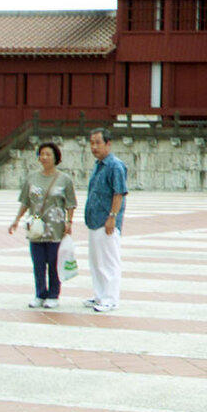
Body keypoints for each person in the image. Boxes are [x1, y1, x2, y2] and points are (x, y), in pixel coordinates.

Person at [8, 142, 77, 309]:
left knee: (53, 262)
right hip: (36, 225)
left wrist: (69, 222)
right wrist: (17, 220)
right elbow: (25, 201)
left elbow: (70, 203)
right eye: (42, 154)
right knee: (38, 262)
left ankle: (53, 295)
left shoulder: (64, 179)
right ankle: (40, 294)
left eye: (48, 154)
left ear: (55, 157)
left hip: (56, 226)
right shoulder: (32, 178)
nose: (44, 157)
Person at [83, 128, 127, 312]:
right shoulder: (99, 164)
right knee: (96, 261)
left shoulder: (115, 166)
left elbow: (119, 193)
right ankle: (99, 294)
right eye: (92, 143)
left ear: (108, 144)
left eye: (98, 143)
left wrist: (112, 217)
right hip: (94, 220)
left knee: (109, 261)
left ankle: (110, 298)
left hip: (107, 221)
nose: (94, 147)